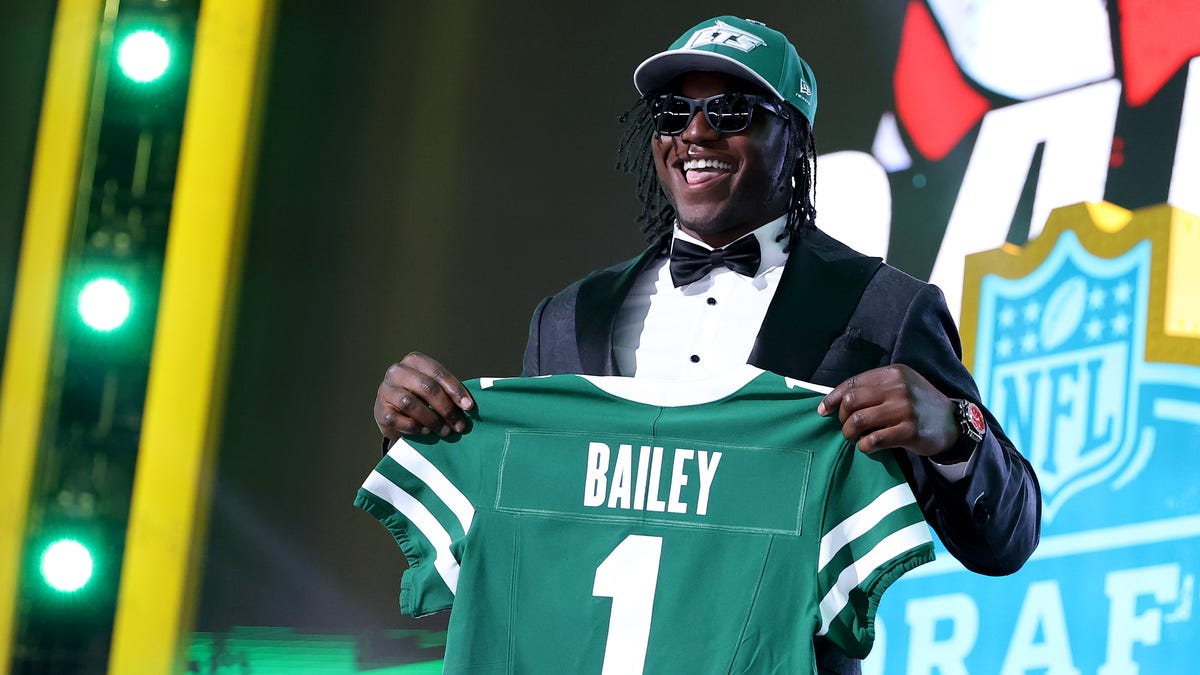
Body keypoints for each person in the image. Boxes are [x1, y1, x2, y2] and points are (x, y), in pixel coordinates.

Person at [371, 15, 1040, 674]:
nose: (695, 132)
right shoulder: (569, 318)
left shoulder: (886, 308)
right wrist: (424, 427)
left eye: (730, 111)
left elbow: (1007, 539)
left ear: (792, 137)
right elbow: (525, 524)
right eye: (672, 112)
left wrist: (956, 430)